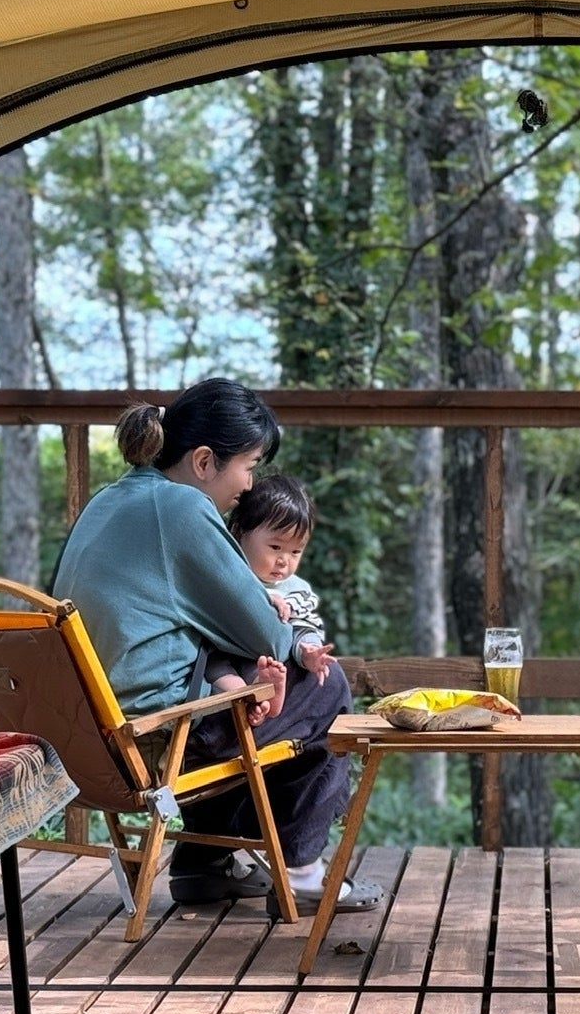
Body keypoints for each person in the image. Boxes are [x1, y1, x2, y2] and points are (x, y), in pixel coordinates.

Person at [52, 379, 380, 911]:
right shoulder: (181, 508)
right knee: (324, 686)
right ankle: (301, 870)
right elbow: (267, 634)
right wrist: (270, 623)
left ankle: (205, 864)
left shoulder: (109, 499)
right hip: (152, 742)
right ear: (205, 461)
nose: (250, 486)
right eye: (248, 465)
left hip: (83, 740)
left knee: (239, 682)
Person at [206, 474, 327, 698]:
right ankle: (245, 695)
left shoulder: (295, 590)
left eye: (295, 551)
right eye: (275, 547)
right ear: (239, 532)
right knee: (215, 667)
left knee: (267, 667)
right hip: (219, 656)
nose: (284, 560)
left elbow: (303, 626)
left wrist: (309, 650)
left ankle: (262, 694)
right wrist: (262, 597)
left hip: (261, 664)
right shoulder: (227, 572)